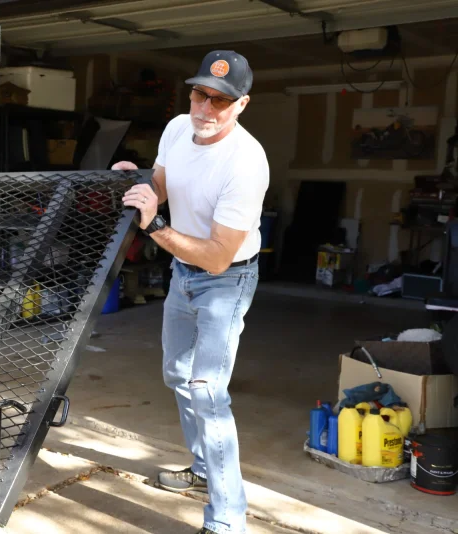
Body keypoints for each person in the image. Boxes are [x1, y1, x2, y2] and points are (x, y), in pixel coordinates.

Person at [113, 50, 269, 534]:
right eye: (200, 94)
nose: (205, 108)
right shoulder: (178, 129)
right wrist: (140, 183)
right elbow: (162, 183)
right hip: (183, 271)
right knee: (177, 373)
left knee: (207, 390)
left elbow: (218, 257)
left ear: (241, 104)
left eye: (220, 100)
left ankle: (227, 520)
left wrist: (153, 224)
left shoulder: (246, 163)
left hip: (227, 278)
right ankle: (203, 470)